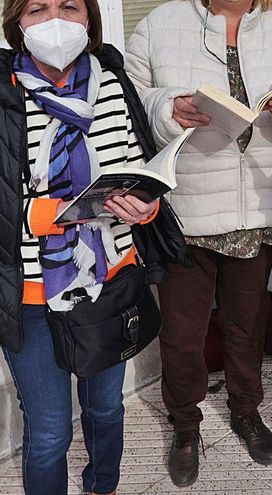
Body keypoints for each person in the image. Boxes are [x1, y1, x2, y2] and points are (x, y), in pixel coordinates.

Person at [125, 0, 272, 487]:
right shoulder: (160, 25)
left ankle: (245, 409)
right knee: (182, 333)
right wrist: (166, 107)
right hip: (185, 210)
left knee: (248, 324)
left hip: (256, 208)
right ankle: (184, 424)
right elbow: (131, 99)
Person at [0, 0, 171, 493]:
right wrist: (42, 214)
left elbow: (136, 165)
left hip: (110, 278)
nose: (56, 20)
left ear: (90, 19)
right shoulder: (4, 94)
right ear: (17, 22)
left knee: (106, 408)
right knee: (50, 431)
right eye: (38, 8)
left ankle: (103, 484)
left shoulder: (113, 81)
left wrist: (147, 206)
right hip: (32, 292)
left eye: (70, 6)